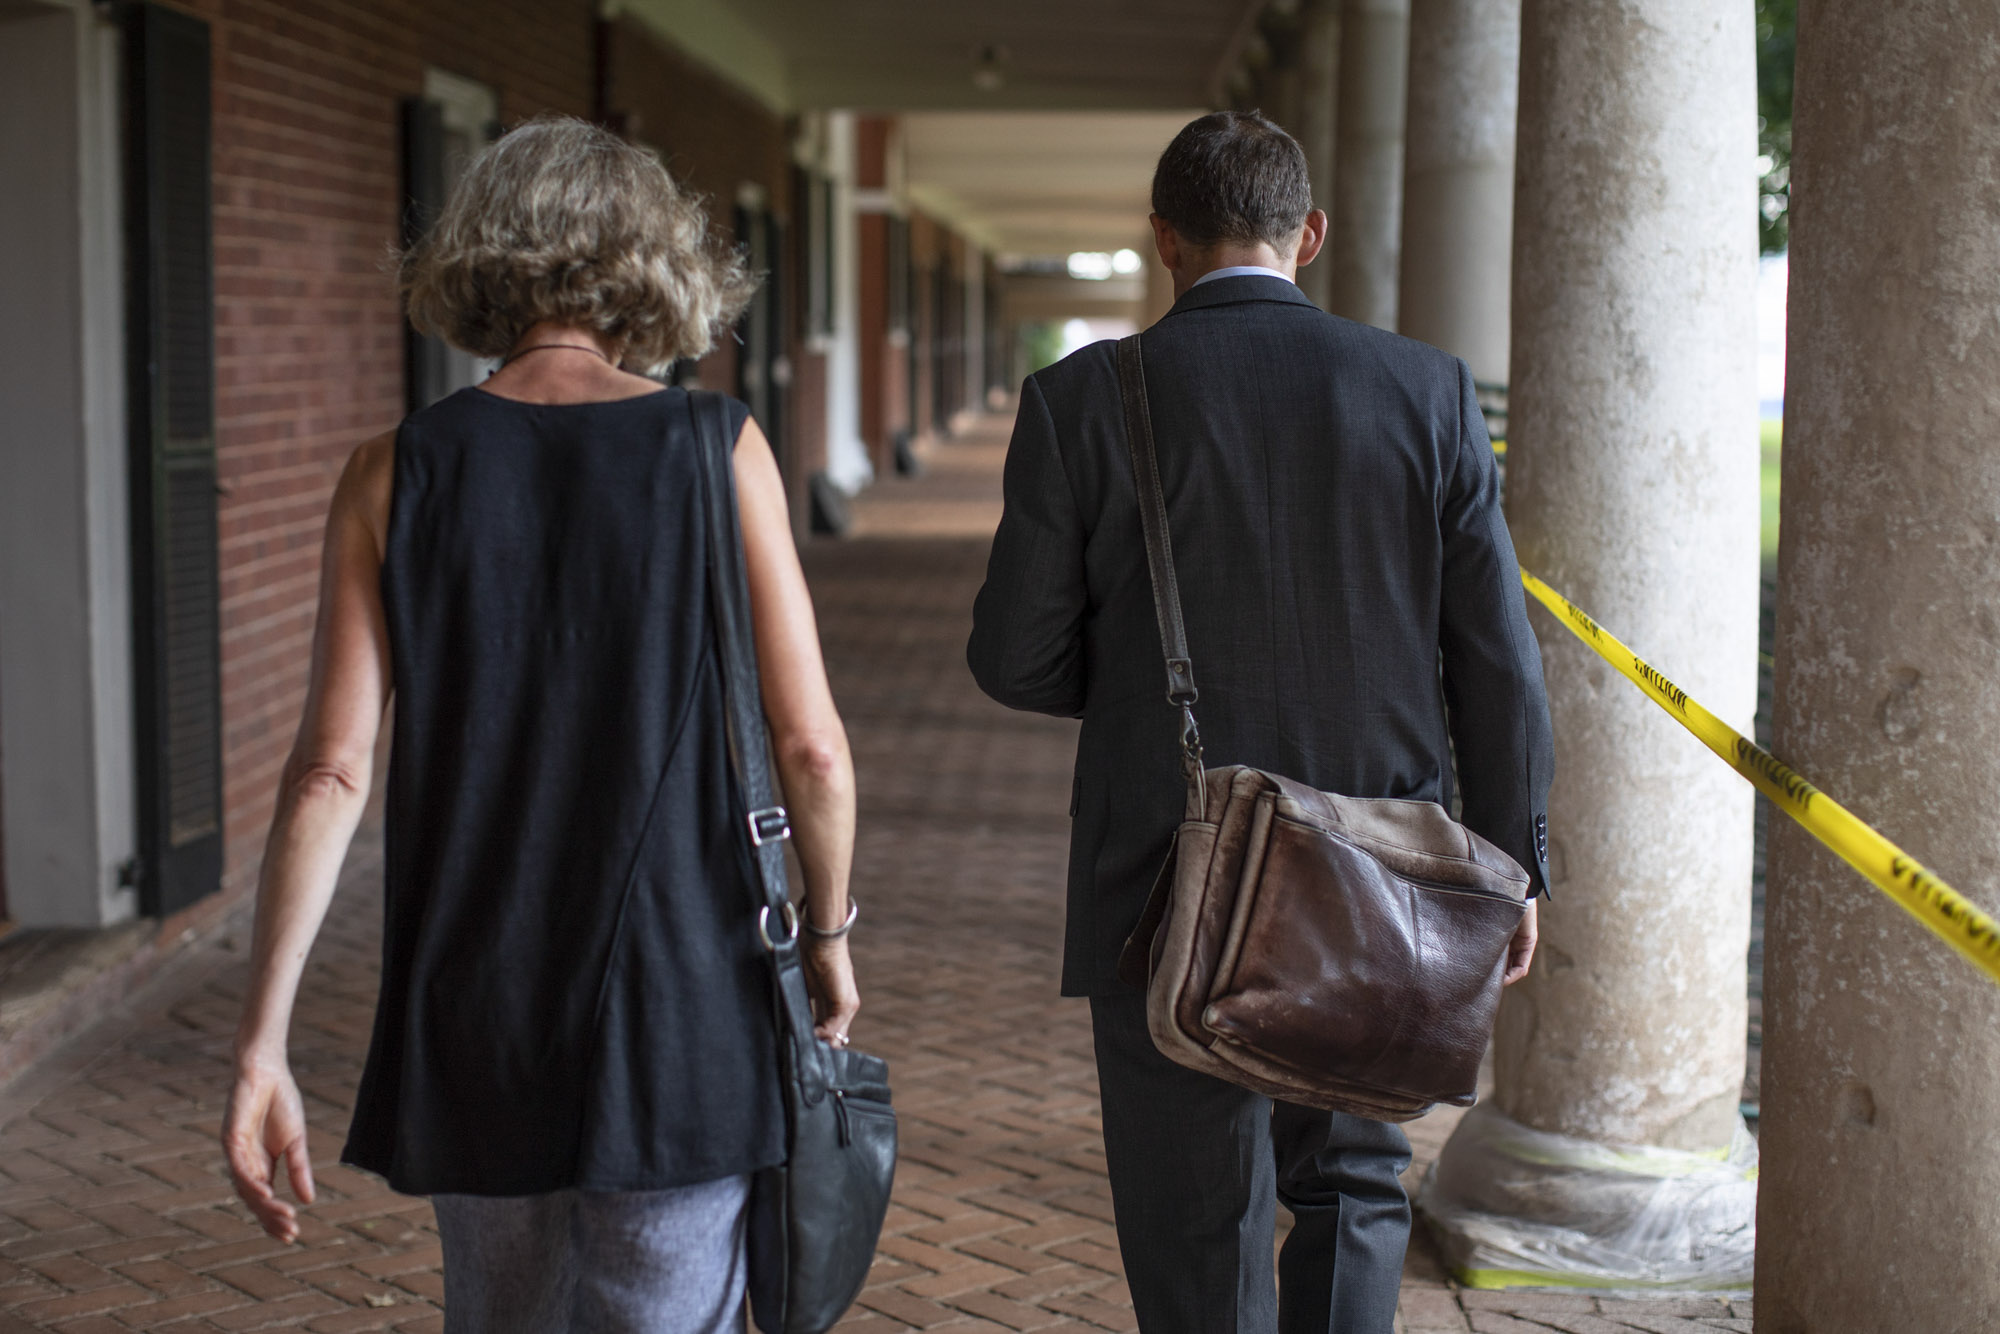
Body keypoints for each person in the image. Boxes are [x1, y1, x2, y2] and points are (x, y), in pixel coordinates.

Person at [220, 115, 861, 1333]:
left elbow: (327, 774)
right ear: (649, 262)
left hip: (475, 987)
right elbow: (813, 748)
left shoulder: (391, 469)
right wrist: (826, 930)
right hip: (684, 986)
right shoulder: (716, 444)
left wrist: (264, 1041)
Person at [967, 111, 1554, 1333]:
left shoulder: (1081, 399)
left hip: (1159, 863)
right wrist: (1513, 865)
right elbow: (1495, 659)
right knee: (1350, 1181)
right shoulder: (1425, 389)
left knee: (1192, 1207)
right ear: (1312, 235)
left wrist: (1139, 683)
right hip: (1379, 867)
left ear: (1162, 240)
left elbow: (1016, 661)